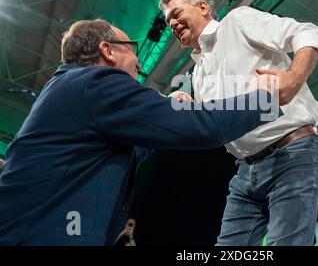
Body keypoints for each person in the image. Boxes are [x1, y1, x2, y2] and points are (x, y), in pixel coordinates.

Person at [0, 19, 279, 245]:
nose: (139, 62)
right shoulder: (95, 84)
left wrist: (171, 109)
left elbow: (127, 150)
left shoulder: (73, 90)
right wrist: (266, 100)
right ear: (108, 50)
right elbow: (200, 126)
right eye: (132, 48)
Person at [159, 0, 318, 246]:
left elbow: (307, 32)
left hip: (292, 153)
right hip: (245, 172)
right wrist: (189, 109)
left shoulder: (237, 22)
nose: (172, 23)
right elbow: (216, 126)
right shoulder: (197, 74)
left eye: (177, 13)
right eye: (168, 21)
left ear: (203, 7)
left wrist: (293, 79)